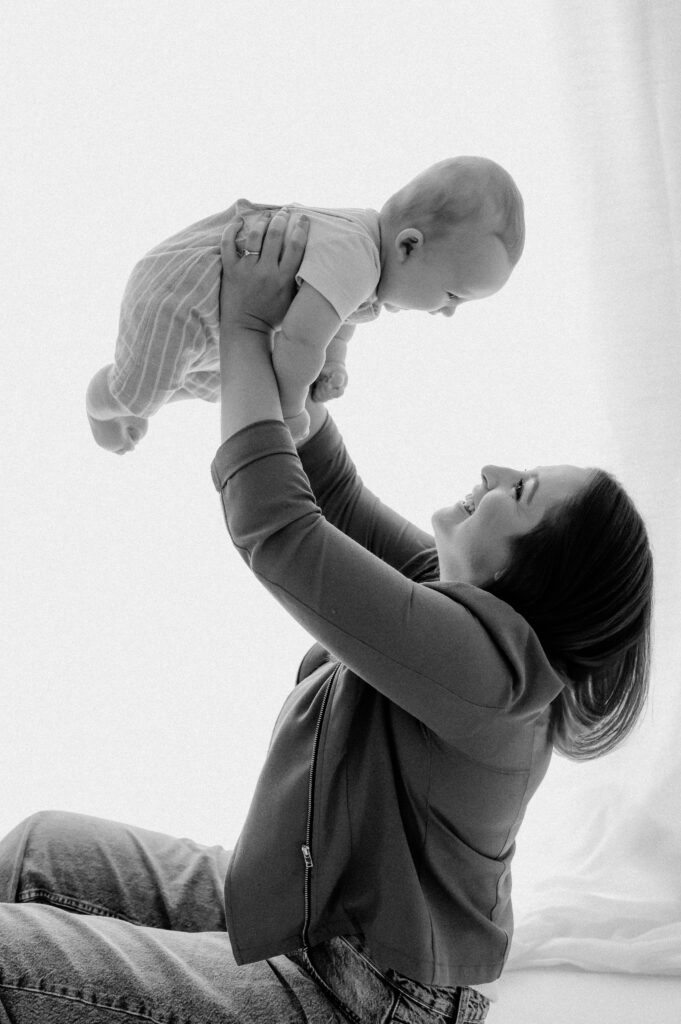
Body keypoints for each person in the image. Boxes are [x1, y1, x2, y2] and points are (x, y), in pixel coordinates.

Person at [0, 211, 652, 1023]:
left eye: (518, 491)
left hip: (371, 999)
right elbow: (329, 494)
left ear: (542, 575)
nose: (491, 469)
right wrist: (289, 337)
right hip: (320, 920)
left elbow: (278, 529)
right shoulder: (455, 608)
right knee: (35, 851)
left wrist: (243, 326)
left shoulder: (488, 674)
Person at [85, 156, 524, 452]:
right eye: (452, 296)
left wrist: (336, 361)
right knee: (140, 391)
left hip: (213, 316)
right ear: (409, 246)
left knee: (221, 384)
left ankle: (145, 399)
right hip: (179, 295)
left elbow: (338, 322)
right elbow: (299, 340)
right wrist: (292, 410)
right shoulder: (355, 257)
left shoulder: (369, 258)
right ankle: (103, 399)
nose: (447, 312)